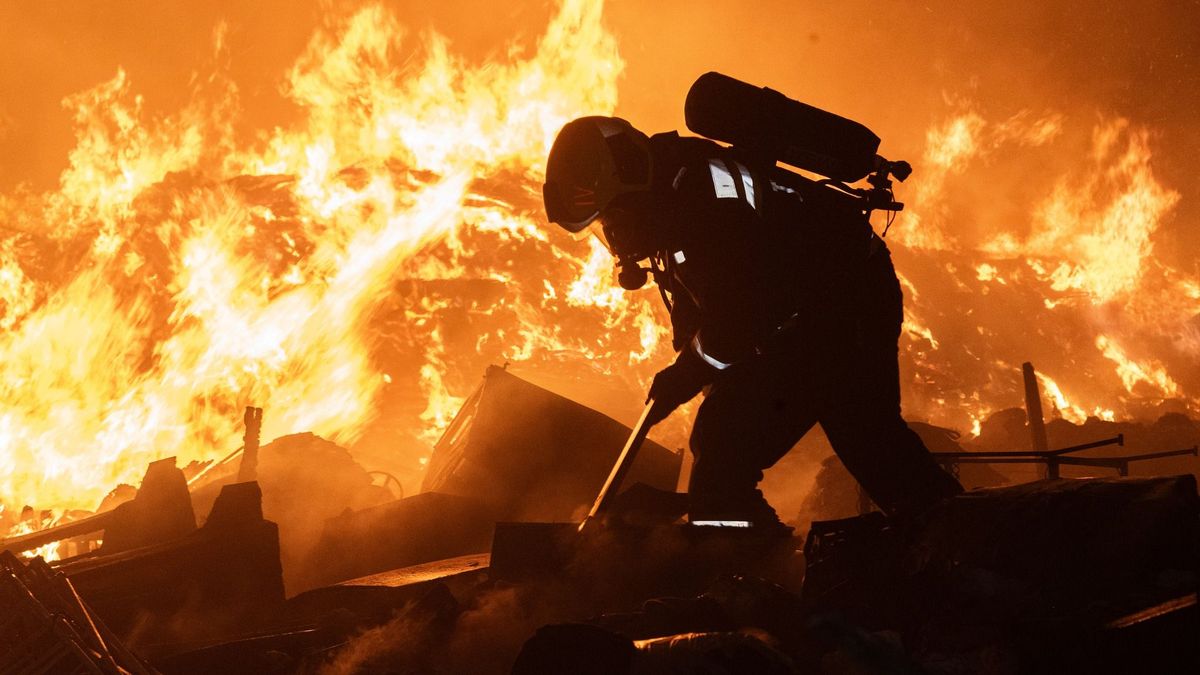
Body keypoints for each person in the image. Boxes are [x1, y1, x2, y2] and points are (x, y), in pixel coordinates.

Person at [542, 116, 962, 527]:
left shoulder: (704, 199)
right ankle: (744, 558)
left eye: (611, 219)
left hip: (844, 302)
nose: (613, 236)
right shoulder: (667, 204)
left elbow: (739, 317)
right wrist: (698, 373)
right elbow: (701, 304)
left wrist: (684, 376)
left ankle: (967, 542)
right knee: (726, 442)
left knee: (862, 436)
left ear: (629, 182)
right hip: (796, 314)